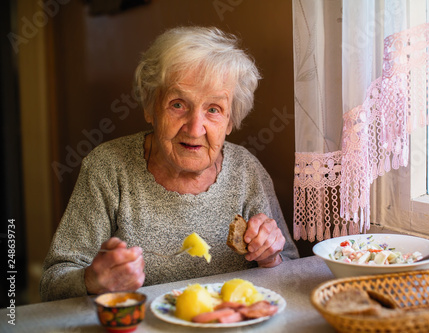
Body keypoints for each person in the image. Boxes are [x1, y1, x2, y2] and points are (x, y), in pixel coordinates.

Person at [40, 26, 300, 301]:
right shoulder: (108, 168)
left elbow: (291, 274)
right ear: (150, 107)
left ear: (230, 122)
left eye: (213, 109)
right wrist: (92, 280)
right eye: (178, 104)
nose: (194, 127)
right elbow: (51, 284)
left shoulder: (247, 171)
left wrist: (270, 258)